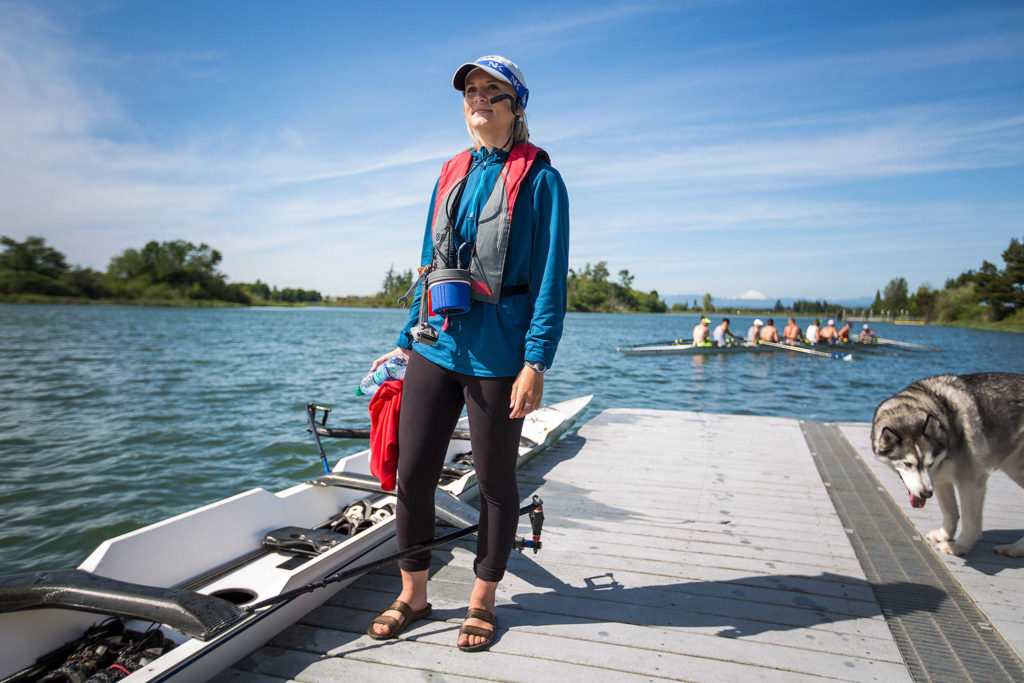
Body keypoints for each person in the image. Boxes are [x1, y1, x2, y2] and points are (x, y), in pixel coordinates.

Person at [365, 55, 569, 653]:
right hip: (436, 343)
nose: (478, 99)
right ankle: (413, 593)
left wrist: (537, 362)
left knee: (495, 480)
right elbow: (428, 265)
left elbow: (552, 280)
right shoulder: (448, 171)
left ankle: (482, 599)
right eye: (471, 92)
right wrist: (405, 339)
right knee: (413, 475)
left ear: (516, 106)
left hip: (500, 355)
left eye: (492, 92)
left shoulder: (542, 181)